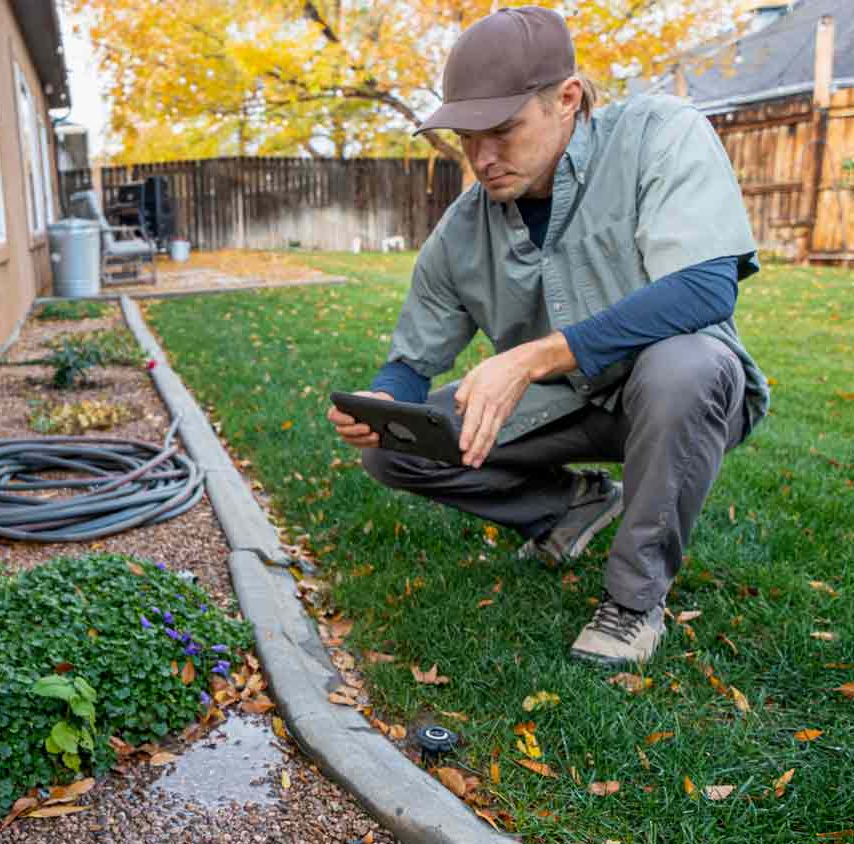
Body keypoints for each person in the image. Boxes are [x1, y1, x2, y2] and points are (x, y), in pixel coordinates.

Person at [326, 6, 768, 666]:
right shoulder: (462, 228)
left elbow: (707, 287)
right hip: (565, 406)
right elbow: (411, 362)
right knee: (394, 450)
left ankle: (633, 603)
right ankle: (570, 506)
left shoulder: (659, 134)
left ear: (566, 100)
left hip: (679, 398)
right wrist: (384, 401)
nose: (481, 157)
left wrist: (538, 355)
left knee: (685, 366)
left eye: (502, 130)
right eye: (468, 137)